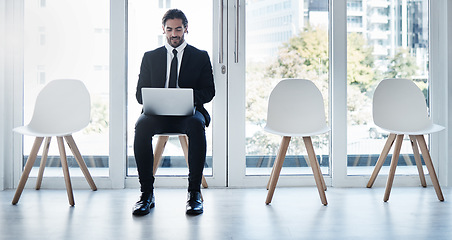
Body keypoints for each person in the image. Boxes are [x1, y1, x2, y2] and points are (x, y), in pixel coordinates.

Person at [132, 9, 215, 216]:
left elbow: (209, 91)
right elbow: (139, 95)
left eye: (178, 29)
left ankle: (194, 194)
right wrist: (156, 98)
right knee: (141, 126)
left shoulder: (200, 56)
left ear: (186, 29)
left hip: (188, 113)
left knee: (197, 125)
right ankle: (146, 194)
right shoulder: (150, 57)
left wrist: (188, 97)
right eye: (169, 30)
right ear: (163, 30)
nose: (174, 34)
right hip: (157, 114)